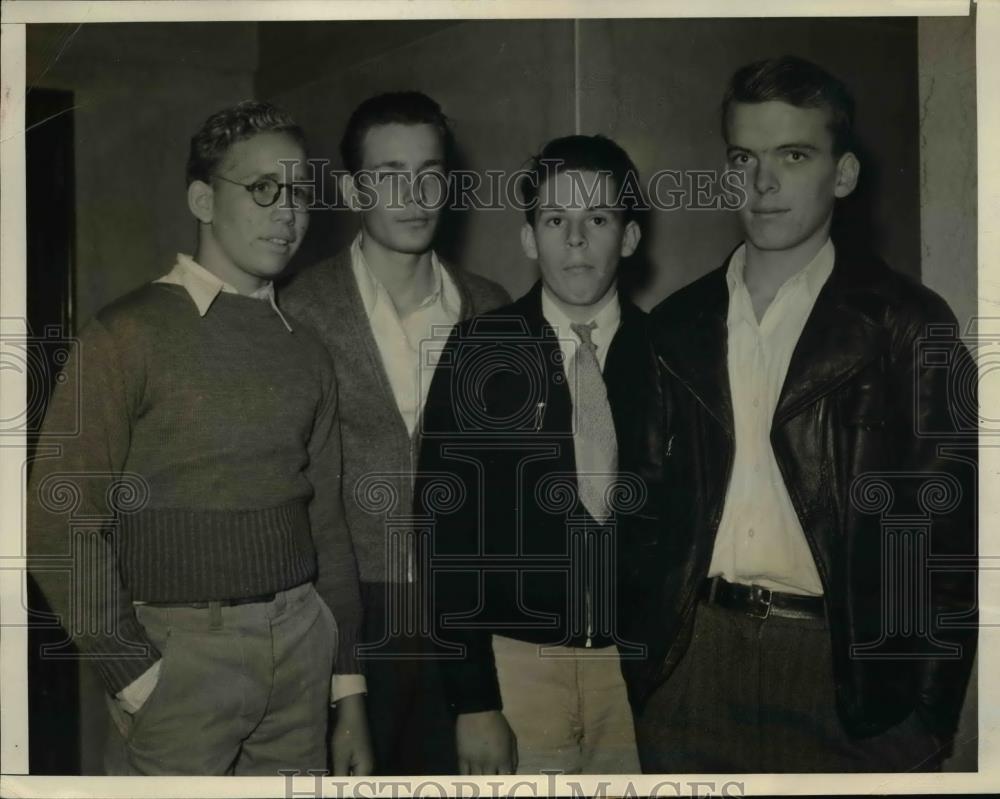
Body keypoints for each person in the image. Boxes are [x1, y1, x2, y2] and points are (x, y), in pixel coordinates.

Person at [632, 55, 978, 772]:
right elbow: (641, 519)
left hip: (850, 679)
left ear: (842, 174)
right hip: (693, 665)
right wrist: (650, 674)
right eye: (743, 158)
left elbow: (951, 537)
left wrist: (927, 716)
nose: (762, 184)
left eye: (793, 155)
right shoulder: (673, 327)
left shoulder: (908, 324)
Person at [27, 101, 372, 776]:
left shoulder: (307, 352)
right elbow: (57, 516)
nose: (287, 211)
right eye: (263, 189)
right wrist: (133, 673)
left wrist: (347, 683)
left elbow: (326, 523)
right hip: (180, 664)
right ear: (202, 199)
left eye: (300, 192)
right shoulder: (128, 332)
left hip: (302, 649)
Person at [280, 91, 509, 775]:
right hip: (343, 625)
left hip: (466, 623)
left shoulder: (492, 309)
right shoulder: (298, 309)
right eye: (388, 175)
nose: (414, 195)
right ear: (353, 189)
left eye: (429, 172)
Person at [416, 134, 660, 775]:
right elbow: (444, 529)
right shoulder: (479, 352)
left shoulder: (668, 354)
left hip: (638, 672)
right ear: (529, 238)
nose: (575, 239)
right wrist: (472, 699)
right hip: (514, 664)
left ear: (629, 238)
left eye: (599, 219)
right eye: (555, 220)